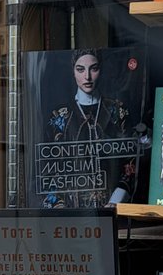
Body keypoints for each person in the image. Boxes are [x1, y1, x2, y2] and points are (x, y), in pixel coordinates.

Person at [45, 49, 135, 207]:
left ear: (101, 71)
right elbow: (49, 169)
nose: (87, 76)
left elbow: (131, 164)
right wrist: (62, 208)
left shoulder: (117, 111)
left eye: (94, 69)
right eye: (80, 69)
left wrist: (115, 201)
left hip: (113, 207)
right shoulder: (60, 116)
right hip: (71, 210)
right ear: (73, 72)